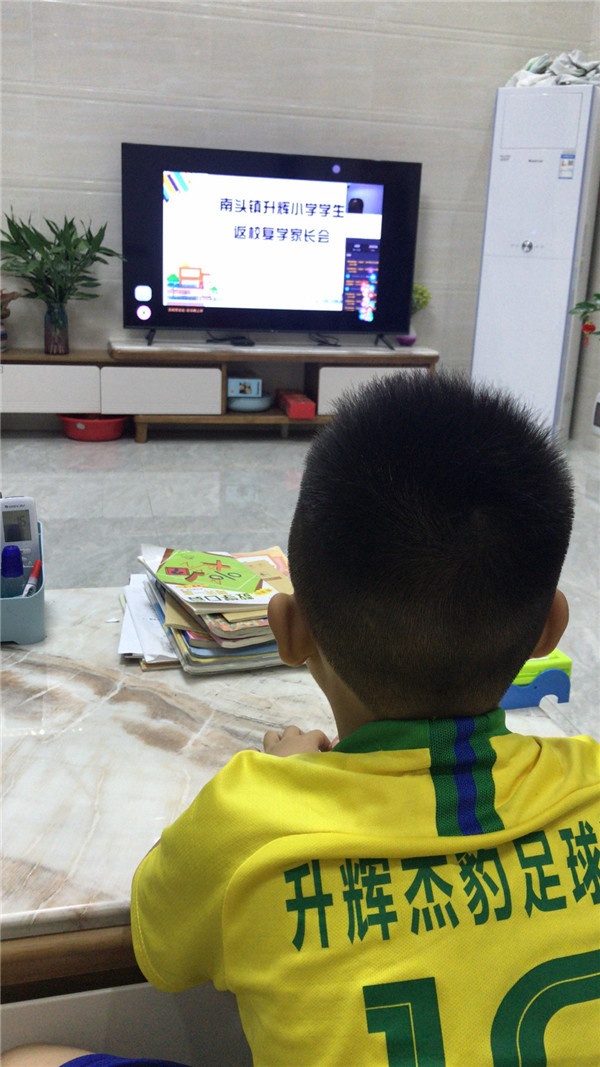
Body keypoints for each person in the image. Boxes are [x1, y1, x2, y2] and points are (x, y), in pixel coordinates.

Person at [7, 373, 598, 1066]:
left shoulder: (248, 818)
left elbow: (159, 951)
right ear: (550, 628)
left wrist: (285, 783)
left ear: (288, 632)